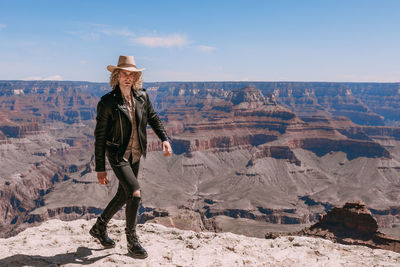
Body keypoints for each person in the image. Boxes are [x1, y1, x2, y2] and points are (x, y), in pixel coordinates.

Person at [89, 55, 172, 259]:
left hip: (135, 153)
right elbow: (99, 137)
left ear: (136, 77)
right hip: (118, 154)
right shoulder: (108, 102)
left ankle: (99, 227)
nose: (128, 77)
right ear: (116, 76)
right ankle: (132, 239)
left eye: (131, 74)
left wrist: (164, 138)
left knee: (122, 194)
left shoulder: (142, 96)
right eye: (124, 74)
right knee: (134, 193)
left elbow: (153, 117)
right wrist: (100, 167)